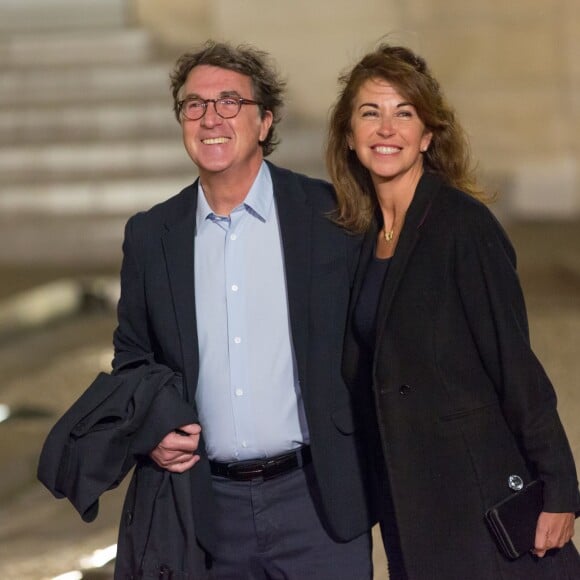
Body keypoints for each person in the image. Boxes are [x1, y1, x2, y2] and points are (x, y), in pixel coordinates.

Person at [39, 40, 374, 579]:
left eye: (228, 102)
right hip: (205, 509)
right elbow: (134, 359)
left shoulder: (329, 217)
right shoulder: (152, 236)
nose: (210, 118)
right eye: (194, 105)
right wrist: (153, 430)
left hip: (317, 505)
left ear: (265, 122)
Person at [326, 43, 580, 579]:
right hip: (411, 500)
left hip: (476, 493)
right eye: (370, 113)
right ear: (350, 136)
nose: (386, 128)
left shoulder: (463, 226)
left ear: (428, 135)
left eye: (404, 113)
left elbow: (515, 362)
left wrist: (559, 486)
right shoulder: (363, 239)